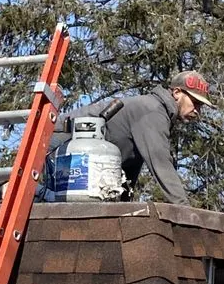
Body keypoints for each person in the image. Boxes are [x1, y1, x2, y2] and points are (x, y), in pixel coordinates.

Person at [48, 71, 213, 206]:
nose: (198, 110)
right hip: (53, 145)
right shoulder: (152, 111)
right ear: (177, 92)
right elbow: (161, 163)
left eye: (201, 106)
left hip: (74, 161)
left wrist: (123, 206)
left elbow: (130, 168)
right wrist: (186, 212)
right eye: (195, 102)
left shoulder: (154, 112)